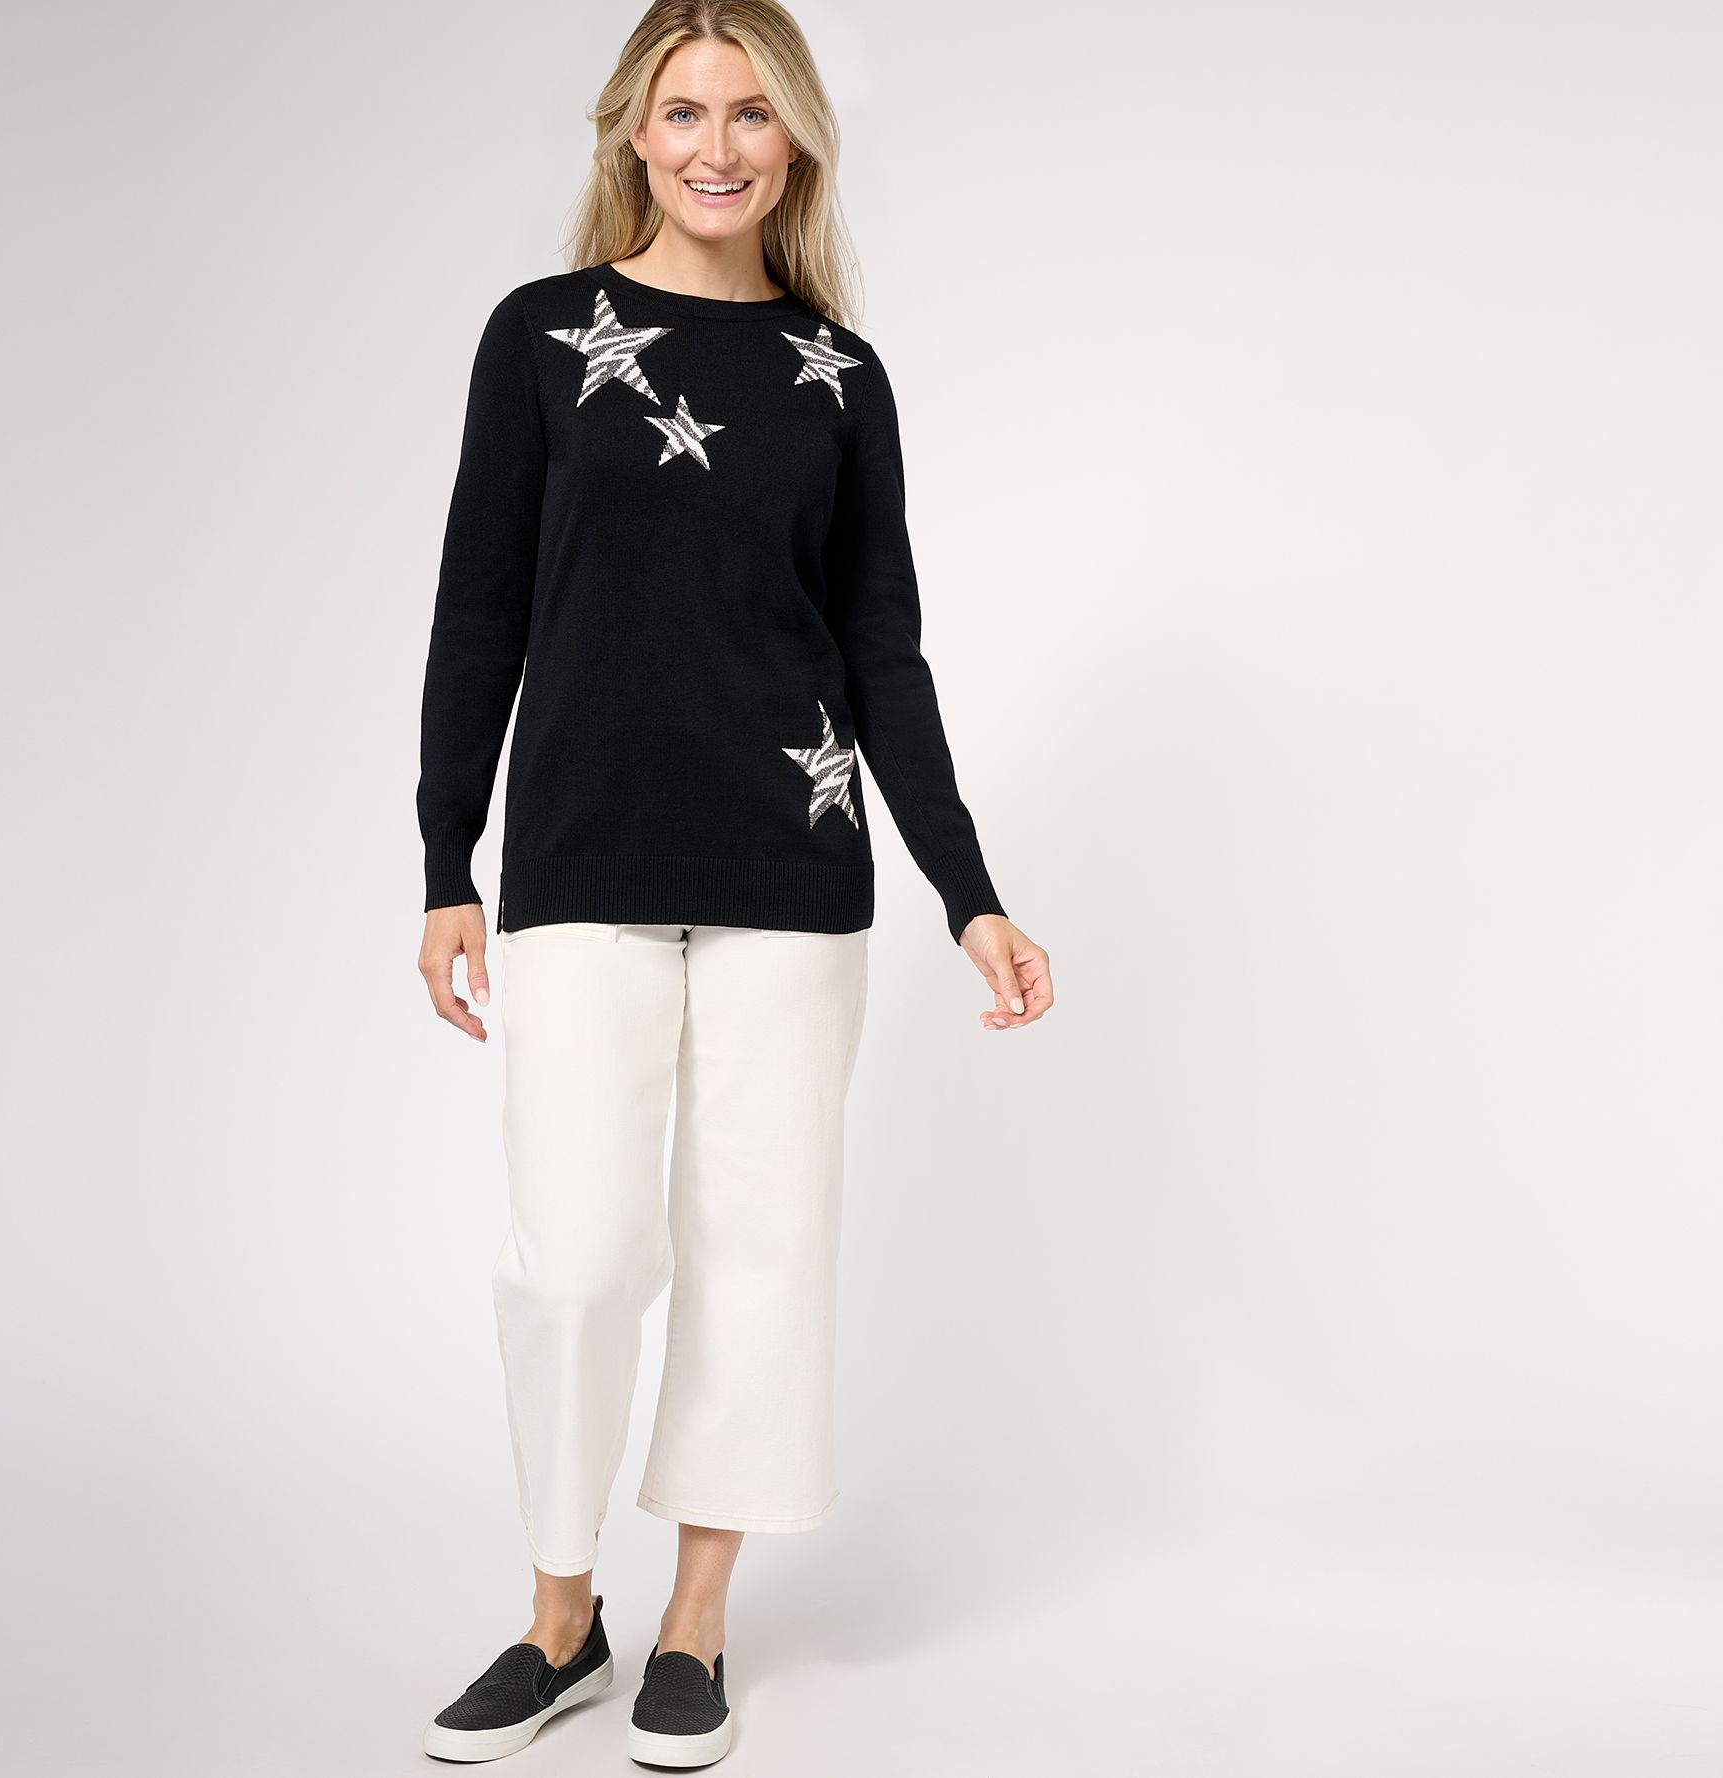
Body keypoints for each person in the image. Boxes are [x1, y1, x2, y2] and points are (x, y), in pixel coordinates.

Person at [414, 1, 1052, 1763]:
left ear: (797, 143)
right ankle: (561, 1618)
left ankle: (694, 1619)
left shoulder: (839, 375)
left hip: (791, 867)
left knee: (757, 1251)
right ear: (632, 130)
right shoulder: (542, 339)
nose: (717, 146)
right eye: (685, 111)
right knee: (574, 1259)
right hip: (581, 858)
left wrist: (969, 891)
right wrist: (444, 857)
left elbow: (883, 652)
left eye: (752, 114)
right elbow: (478, 610)